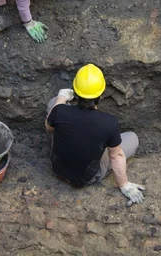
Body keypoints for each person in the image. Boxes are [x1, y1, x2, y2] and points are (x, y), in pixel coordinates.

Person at [45, 64, 145, 205]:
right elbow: (116, 156)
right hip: (85, 178)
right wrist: (124, 184)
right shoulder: (109, 123)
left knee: (52, 104)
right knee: (132, 139)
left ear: (75, 91)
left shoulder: (60, 111)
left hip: (58, 168)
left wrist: (61, 98)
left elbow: (49, 128)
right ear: (101, 93)